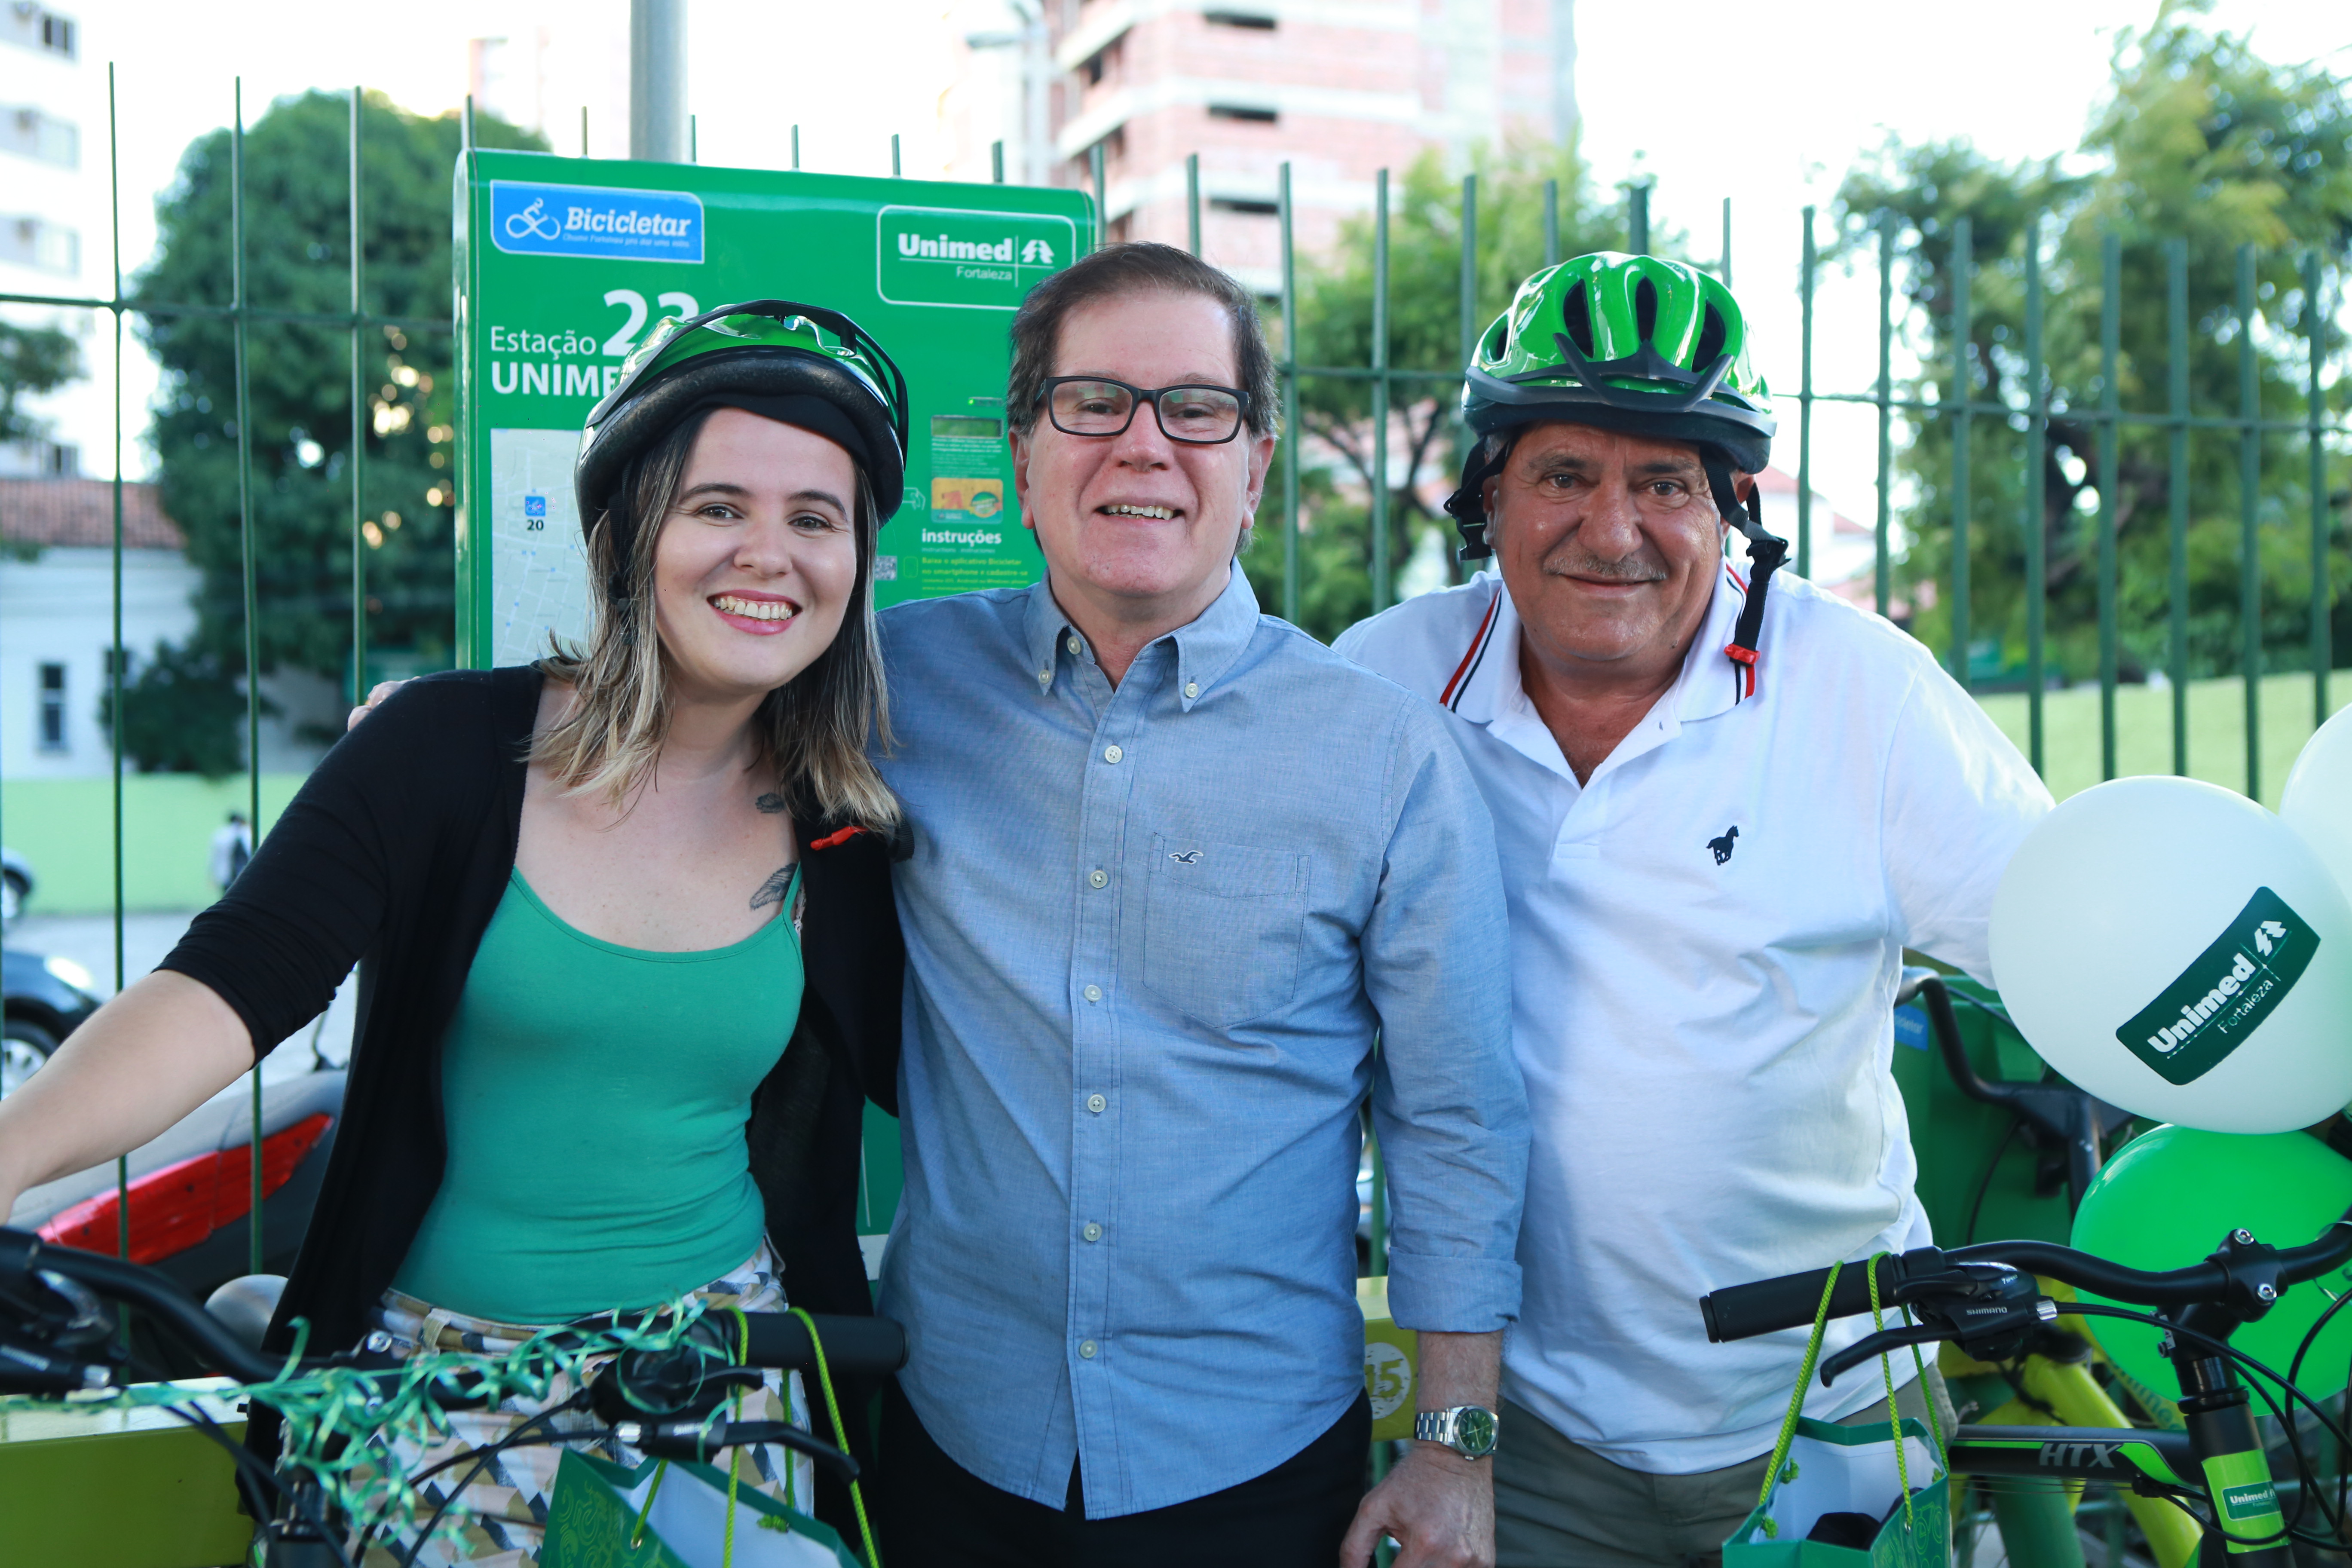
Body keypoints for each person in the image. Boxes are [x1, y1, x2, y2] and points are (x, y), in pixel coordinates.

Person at [0, 302, 912, 1563]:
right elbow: (228, 985)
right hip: (432, 1395)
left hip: (717, 1378)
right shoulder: (440, 752)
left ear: (858, 563)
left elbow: (966, 1066)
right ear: (632, 533)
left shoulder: (843, 828)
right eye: (718, 508)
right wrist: (5, 1158)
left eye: (816, 518)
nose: (771, 553)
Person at [1335, 252, 2054, 1567]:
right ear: (1487, 495)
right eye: (1565, 474)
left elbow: (2071, 943)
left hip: (1834, 1411)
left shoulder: (1866, 694)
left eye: (1665, 482)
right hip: (1527, 1426)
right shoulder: (1382, 684)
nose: (1613, 531)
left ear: (1732, 512)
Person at [870, 242, 1529, 1568]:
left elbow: (1454, 1118)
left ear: (1256, 466)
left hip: (1253, 1462)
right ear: (1021, 456)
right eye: (1093, 402)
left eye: (1196, 409)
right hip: (951, 1438)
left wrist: (1455, 1449)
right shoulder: (888, 686)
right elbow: (671, 719)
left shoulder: (1388, 755)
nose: (1143, 446)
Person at [209, 810, 251, 889]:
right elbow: (216, 858)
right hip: (228, 877)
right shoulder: (223, 835)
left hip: (244, 876)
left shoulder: (248, 834)